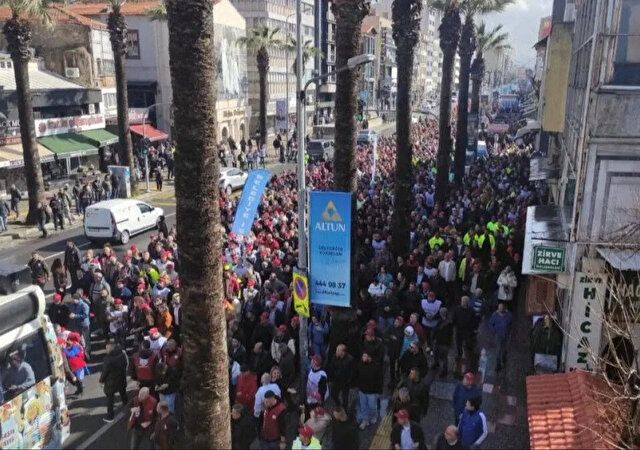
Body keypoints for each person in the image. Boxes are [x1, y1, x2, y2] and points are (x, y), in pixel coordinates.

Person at [100, 340, 129, 422]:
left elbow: (104, 372)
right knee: (123, 392)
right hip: (121, 378)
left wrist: (101, 381)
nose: (106, 350)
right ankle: (126, 405)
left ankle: (110, 416)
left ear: (111, 348)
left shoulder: (108, 359)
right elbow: (126, 363)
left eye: (107, 348)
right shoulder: (122, 354)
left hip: (111, 382)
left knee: (110, 399)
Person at [354, 352, 382, 430]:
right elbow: (356, 375)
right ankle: (365, 420)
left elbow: (379, 380)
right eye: (362, 356)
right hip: (362, 390)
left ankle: (374, 416)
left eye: (365, 356)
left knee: (372, 406)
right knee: (363, 406)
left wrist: (379, 391)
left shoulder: (376, 367)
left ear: (370, 357)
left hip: (372, 392)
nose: (363, 358)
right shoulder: (360, 364)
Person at [489, 302, 513, 372]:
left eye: (502, 308)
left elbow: (510, 321)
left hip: (506, 334)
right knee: (498, 349)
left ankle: (504, 356)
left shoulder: (508, 314)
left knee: (505, 347)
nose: (500, 309)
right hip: (498, 335)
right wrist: (494, 331)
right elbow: (490, 324)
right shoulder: (495, 315)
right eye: (499, 307)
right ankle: (498, 364)